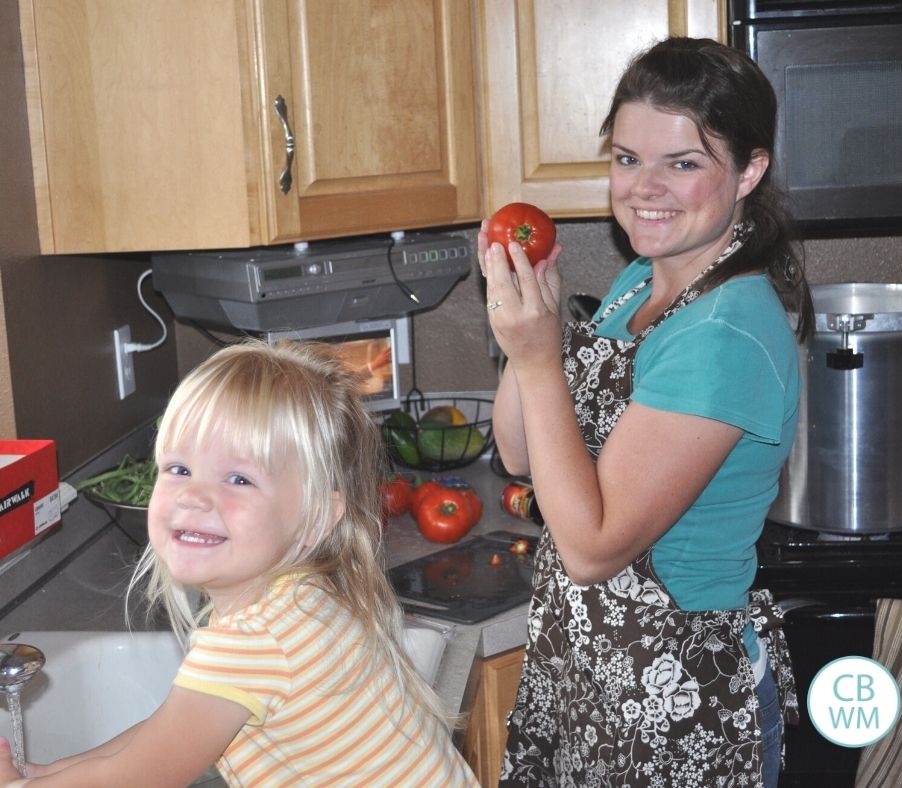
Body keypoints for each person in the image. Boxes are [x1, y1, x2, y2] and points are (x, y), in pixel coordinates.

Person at [478, 36, 812, 788]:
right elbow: (522, 453)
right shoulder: (640, 280)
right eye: (627, 158)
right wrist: (535, 317)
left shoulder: (724, 334)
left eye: (683, 163)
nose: (643, 188)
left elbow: (594, 547)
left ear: (749, 171)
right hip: (591, 675)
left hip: (677, 696)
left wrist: (537, 357)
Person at [0, 340, 479, 787]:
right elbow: (164, 731)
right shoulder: (301, 597)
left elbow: (142, 774)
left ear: (314, 519)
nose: (194, 496)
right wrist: (48, 774)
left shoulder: (254, 643)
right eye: (179, 469)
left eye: (238, 478)